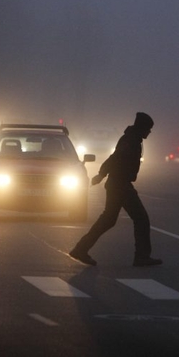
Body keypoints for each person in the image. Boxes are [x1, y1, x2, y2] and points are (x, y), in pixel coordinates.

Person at [69, 112, 162, 267]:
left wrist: (102, 174)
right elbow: (115, 158)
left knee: (108, 220)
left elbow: (114, 157)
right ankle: (142, 256)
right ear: (142, 127)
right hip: (120, 185)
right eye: (148, 129)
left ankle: (80, 249)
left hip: (117, 184)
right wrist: (101, 174)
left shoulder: (131, 138)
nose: (149, 132)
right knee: (141, 218)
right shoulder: (131, 141)